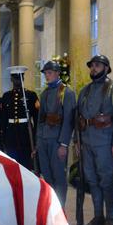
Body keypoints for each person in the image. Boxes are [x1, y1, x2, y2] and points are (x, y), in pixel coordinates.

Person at [75, 55, 113, 225]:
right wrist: (78, 141)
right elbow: (78, 118)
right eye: (92, 66)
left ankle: (110, 219)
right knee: (92, 180)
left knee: (108, 181)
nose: (93, 69)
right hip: (87, 141)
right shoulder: (85, 91)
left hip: (106, 142)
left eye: (97, 66)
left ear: (106, 68)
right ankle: (98, 216)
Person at [36, 61, 75, 205]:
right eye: (45, 73)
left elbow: (69, 120)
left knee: (59, 177)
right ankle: (51, 208)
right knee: (47, 175)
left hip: (57, 140)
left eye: (49, 73)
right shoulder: (45, 93)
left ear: (58, 73)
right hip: (44, 139)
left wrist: (64, 144)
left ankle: (60, 208)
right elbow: (41, 120)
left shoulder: (66, 92)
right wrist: (37, 143)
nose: (47, 76)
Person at [2, 66, 39, 170]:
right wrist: (3, 138)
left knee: (26, 165)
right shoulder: (6, 96)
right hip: (11, 134)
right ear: (11, 79)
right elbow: (4, 118)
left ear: (23, 78)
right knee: (12, 166)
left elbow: (36, 118)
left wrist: (35, 137)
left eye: (19, 77)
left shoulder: (31, 95)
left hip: (26, 134)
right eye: (15, 78)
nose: (17, 80)